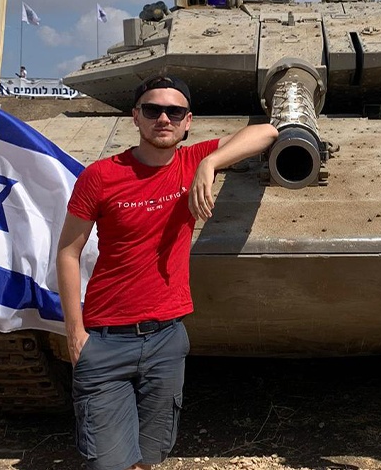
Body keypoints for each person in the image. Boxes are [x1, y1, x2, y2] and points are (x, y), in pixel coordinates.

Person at [56, 75, 277, 470]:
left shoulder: (192, 161)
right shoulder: (100, 176)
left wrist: (210, 161)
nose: (164, 118)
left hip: (166, 339)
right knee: (109, 464)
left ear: (187, 121)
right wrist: (75, 333)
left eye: (174, 112)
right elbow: (68, 253)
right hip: (105, 340)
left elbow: (267, 131)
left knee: (150, 455)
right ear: (135, 117)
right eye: (152, 110)